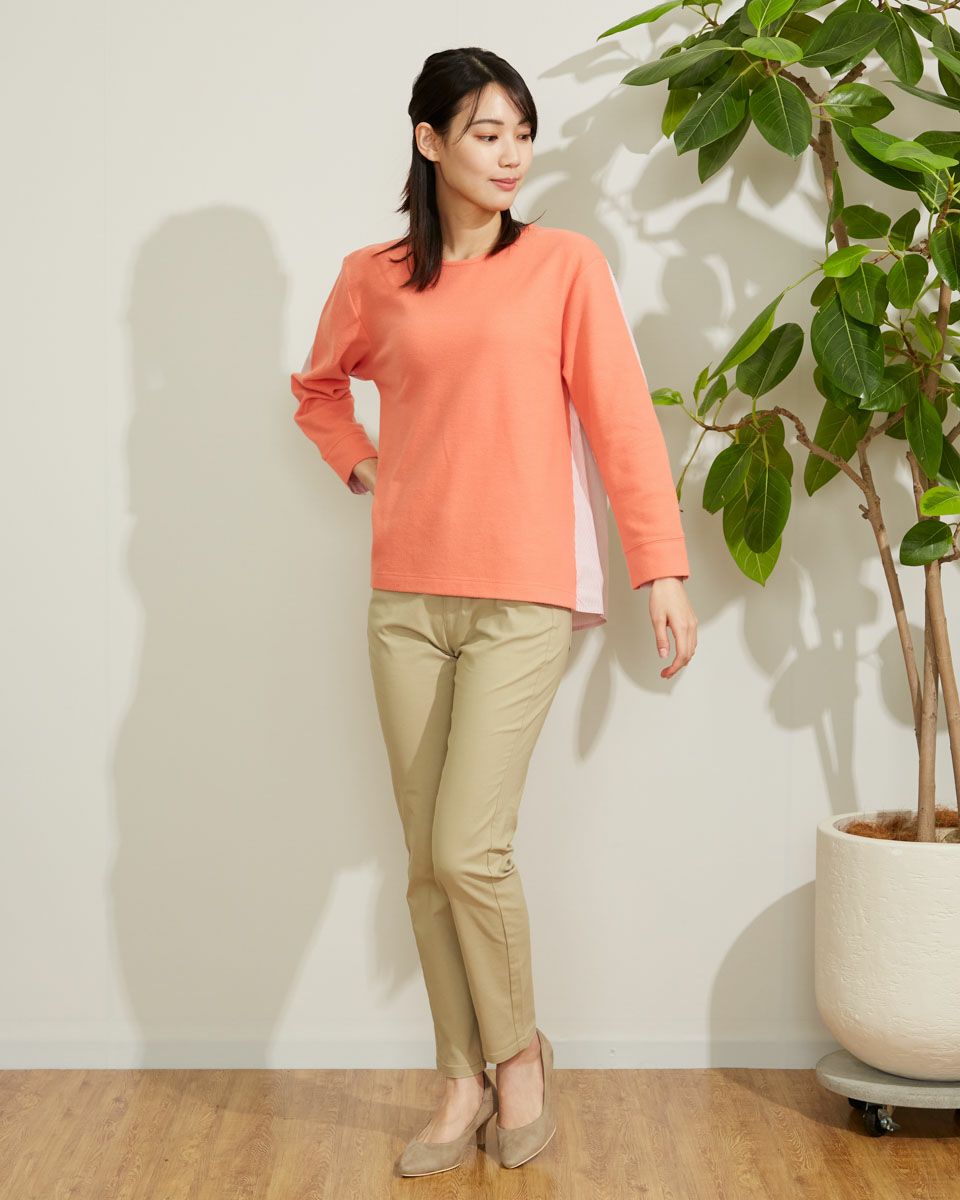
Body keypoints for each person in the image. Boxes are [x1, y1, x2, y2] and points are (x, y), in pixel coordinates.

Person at [290, 46, 698, 1177]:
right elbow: (317, 390)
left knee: (470, 848)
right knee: (426, 859)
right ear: (429, 141)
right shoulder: (373, 276)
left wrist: (661, 567)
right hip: (406, 599)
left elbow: (621, 421)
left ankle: (520, 1058)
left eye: (522, 132)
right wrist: (365, 466)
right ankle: (461, 1077)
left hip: (523, 596)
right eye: (485, 132)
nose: (511, 154)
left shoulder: (564, 265)